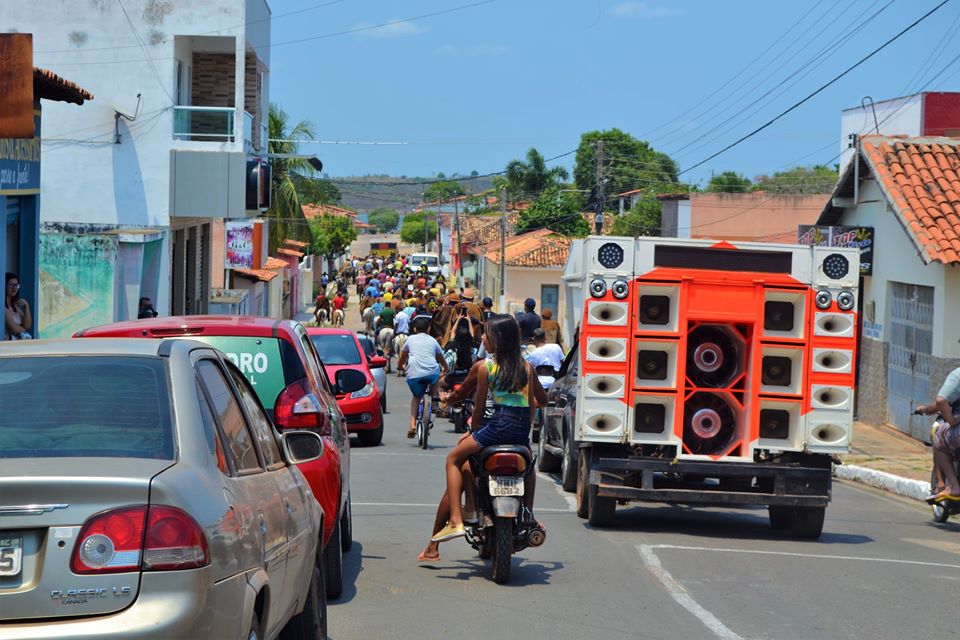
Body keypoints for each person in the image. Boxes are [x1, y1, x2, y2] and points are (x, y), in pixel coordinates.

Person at [428, 314, 547, 544]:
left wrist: (472, 431)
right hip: (520, 430)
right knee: (528, 466)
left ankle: (455, 519)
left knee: (453, 458)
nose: (482, 337)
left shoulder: (486, 367)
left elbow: (479, 410)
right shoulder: (527, 367)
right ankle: (528, 514)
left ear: (498, 339)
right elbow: (541, 400)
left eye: (487, 334)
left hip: (497, 427)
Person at [397, 315, 449, 438]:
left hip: (414, 374)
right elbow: (441, 359)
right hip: (431, 373)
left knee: (416, 397)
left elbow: (402, 357)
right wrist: (446, 368)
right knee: (435, 377)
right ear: (429, 328)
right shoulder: (433, 341)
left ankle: (412, 425)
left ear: (415, 329)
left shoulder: (410, 340)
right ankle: (431, 398)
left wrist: (400, 366)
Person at [916, 367, 960, 501]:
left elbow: (940, 401)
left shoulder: (956, 375)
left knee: (939, 437)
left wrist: (952, 421)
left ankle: (951, 486)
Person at [5, 273, 31, 340]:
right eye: (11, 285)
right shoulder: (3, 307)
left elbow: (27, 325)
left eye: (16, 285)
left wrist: (26, 306)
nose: (14, 288)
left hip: (17, 344)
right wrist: (23, 329)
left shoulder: (15, 305)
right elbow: (15, 329)